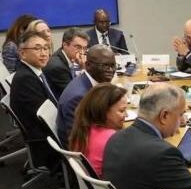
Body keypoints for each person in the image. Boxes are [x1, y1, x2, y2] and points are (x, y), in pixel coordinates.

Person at [9, 31, 57, 167]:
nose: (44, 53)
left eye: (46, 48)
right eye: (37, 48)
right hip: (46, 142)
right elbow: (46, 119)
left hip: (48, 132)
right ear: (22, 53)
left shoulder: (36, 71)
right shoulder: (25, 79)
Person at [56, 45, 117, 145]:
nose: (110, 70)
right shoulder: (78, 97)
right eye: (105, 66)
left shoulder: (89, 80)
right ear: (88, 65)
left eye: (113, 65)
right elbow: (78, 139)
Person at [67, 84, 127, 177]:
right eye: (122, 111)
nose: (126, 115)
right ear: (104, 111)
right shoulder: (112, 139)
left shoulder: (83, 128)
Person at [42, 27, 89, 98]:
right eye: (78, 47)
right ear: (65, 45)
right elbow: (76, 94)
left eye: (84, 48)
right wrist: (84, 68)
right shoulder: (58, 67)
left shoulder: (66, 58)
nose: (82, 52)